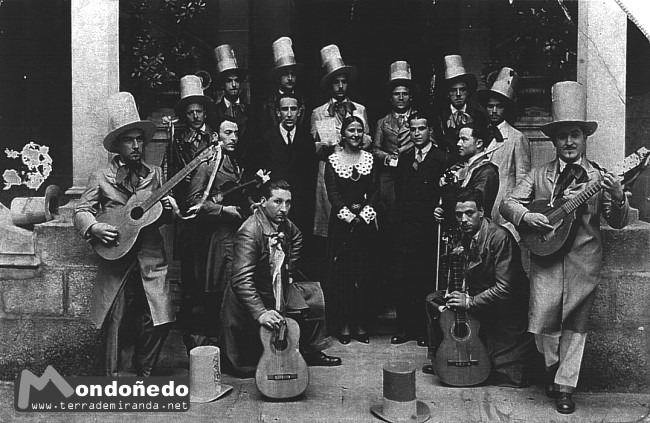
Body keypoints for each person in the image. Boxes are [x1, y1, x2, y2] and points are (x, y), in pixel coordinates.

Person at [500, 81, 629, 414]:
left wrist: (615, 196)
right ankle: (552, 368)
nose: (569, 142)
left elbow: (618, 221)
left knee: (575, 325)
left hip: (583, 263)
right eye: (562, 136)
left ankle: (565, 386)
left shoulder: (598, 176)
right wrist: (528, 216)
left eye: (575, 135)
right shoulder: (541, 175)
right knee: (543, 323)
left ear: (584, 139)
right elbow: (509, 203)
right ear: (554, 141)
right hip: (545, 258)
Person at [73, 92, 176, 376]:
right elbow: (81, 210)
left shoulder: (155, 174)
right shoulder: (101, 176)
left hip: (151, 256)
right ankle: (113, 376)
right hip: (117, 256)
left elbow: (161, 217)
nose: (135, 146)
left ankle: (144, 370)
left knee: (159, 316)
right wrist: (93, 226)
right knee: (115, 317)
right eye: (129, 140)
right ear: (118, 145)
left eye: (139, 139)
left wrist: (169, 209)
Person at [220, 180, 342, 377]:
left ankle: (309, 350)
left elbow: (297, 237)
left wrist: (288, 269)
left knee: (313, 297)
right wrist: (260, 313)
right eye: (277, 202)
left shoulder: (282, 221)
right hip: (251, 294)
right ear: (262, 201)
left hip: (275, 285)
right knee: (247, 365)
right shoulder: (249, 232)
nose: (283, 209)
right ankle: (200, 343)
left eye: (288, 203)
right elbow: (241, 280)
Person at [423, 188, 534, 388]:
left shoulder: (499, 237)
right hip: (478, 295)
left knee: (502, 368)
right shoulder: (466, 233)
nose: (463, 219)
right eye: (458, 215)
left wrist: (470, 301)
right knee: (433, 299)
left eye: (469, 213)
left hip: (503, 308)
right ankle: (440, 357)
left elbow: (504, 288)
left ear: (481, 212)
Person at [180, 117, 249, 353]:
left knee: (233, 286)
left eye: (236, 133)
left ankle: (231, 347)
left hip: (235, 234)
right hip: (216, 236)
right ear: (216, 136)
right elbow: (193, 202)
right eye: (228, 132)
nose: (233, 138)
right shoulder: (207, 163)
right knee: (218, 287)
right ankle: (215, 348)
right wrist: (222, 210)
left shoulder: (233, 162)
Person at [168, 75, 218, 354]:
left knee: (212, 270)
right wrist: (176, 206)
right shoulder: (178, 139)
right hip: (188, 213)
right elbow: (171, 173)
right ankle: (190, 330)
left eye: (199, 110)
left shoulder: (216, 137)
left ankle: (212, 329)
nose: (196, 116)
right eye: (190, 112)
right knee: (190, 273)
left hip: (211, 210)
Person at [391, 112, 450, 346]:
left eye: (421, 129)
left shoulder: (442, 158)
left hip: (428, 227)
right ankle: (405, 327)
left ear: (430, 131)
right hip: (406, 227)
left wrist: (440, 209)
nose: (417, 133)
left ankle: (425, 331)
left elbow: (446, 194)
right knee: (404, 279)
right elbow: (399, 193)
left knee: (425, 279)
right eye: (413, 129)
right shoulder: (404, 158)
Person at [325, 116, 378, 345]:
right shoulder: (333, 160)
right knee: (343, 276)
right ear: (342, 134)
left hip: (365, 225)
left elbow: (375, 190)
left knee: (364, 275)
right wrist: (348, 216)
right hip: (341, 224)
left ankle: (361, 324)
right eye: (351, 131)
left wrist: (364, 215)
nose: (355, 135)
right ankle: (345, 325)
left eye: (359, 130)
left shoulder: (369, 159)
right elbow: (333, 193)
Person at [371, 62, 419, 310]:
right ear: (390, 97)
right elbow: (375, 148)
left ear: (411, 96)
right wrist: (388, 158)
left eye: (405, 93)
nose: (401, 98)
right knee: (388, 237)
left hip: (410, 178)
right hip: (389, 181)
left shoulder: (419, 119)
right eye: (396, 94)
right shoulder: (382, 122)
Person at [311, 44, 371, 239]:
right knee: (331, 223)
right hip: (329, 171)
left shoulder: (359, 109)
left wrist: (356, 140)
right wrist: (327, 145)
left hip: (354, 169)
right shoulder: (319, 112)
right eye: (335, 82)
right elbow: (315, 146)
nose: (340, 86)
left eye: (343, 82)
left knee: (355, 217)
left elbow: (368, 138)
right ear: (330, 85)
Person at [476, 67, 531, 238]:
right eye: (490, 106)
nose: (493, 111)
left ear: (506, 109)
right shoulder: (480, 134)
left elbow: (524, 181)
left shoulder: (516, 138)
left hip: (503, 212)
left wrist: (514, 216)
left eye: (498, 107)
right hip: (480, 208)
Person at [258, 93, 317, 235]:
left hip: (301, 206)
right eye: (285, 109)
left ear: (299, 112)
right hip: (275, 207)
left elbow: (311, 176)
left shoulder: (307, 139)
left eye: (293, 109)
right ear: (278, 112)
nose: (289, 114)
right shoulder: (266, 138)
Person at [434, 122, 499, 226]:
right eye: (459, 139)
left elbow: (472, 204)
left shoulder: (487, 171)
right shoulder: (461, 167)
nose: (458, 144)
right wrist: (440, 209)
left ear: (479, 143)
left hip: (476, 228)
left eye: (464, 139)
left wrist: (447, 190)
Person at [432, 55, 488, 157]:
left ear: (467, 92)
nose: (458, 94)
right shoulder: (438, 116)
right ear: (447, 94)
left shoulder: (479, 116)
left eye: (462, 89)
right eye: (453, 90)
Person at [211, 44, 251, 164]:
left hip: (247, 167)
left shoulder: (250, 111)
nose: (234, 85)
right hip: (223, 166)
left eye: (237, 80)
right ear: (222, 85)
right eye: (229, 81)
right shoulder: (214, 111)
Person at [260, 37, 307, 134]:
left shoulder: (303, 101)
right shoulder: (268, 104)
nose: (290, 78)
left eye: (293, 74)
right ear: (278, 77)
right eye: (286, 74)